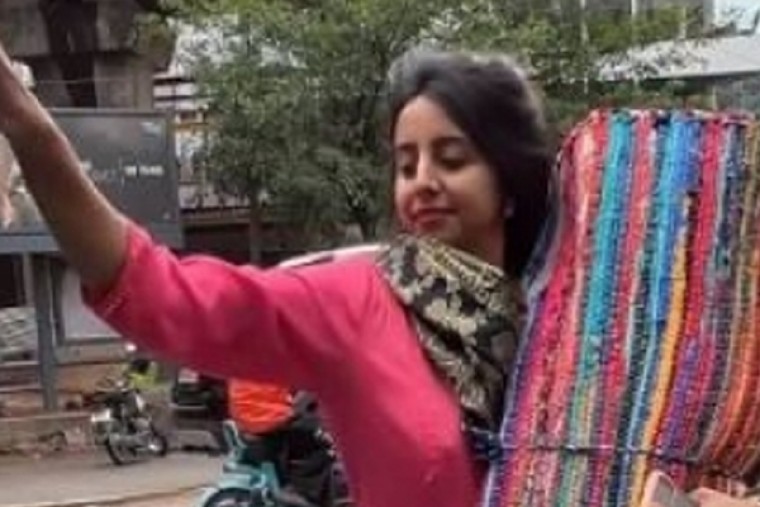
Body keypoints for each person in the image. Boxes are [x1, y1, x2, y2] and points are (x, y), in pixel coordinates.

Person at [0, 37, 752, 507]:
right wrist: (31, 130)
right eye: (405, 163)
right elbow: (160, 293)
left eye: (450, 158)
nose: (421, 182)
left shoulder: (596, 321)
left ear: (508, 179)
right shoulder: (357, 299)